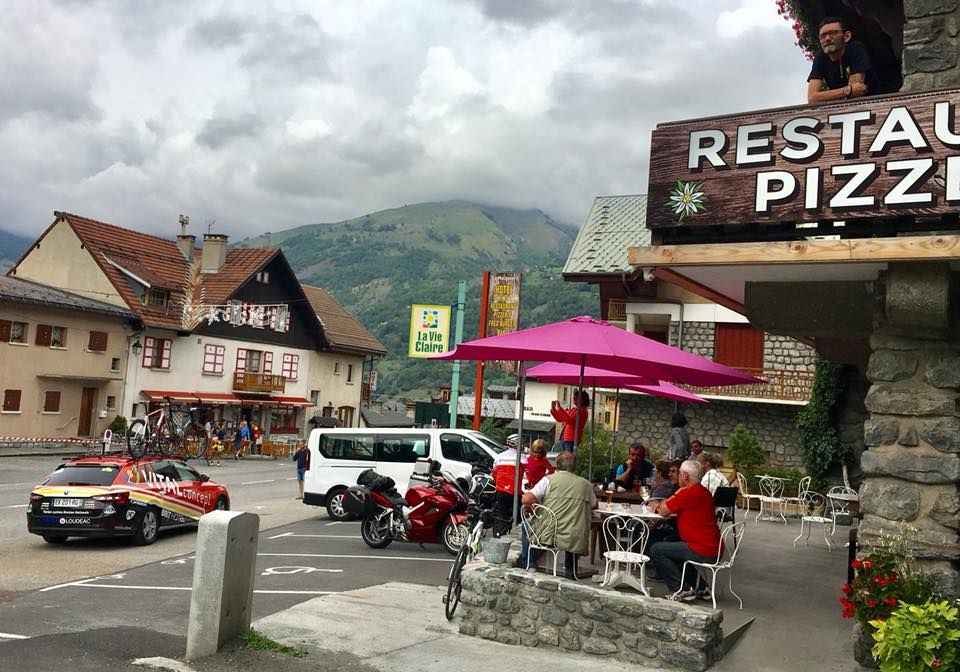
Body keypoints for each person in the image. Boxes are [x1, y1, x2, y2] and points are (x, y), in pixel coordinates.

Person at [649, 459, 724, 602]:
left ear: (685, 476)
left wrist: (661, 503)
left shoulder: (687, 493)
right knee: (670, 544)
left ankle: (680, 589)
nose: (677, 476)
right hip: (714, 547)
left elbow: (663, 511)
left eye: (679, 473)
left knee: (657, 549)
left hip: (702, 548)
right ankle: (701, 587)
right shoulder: (704, 492)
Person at [519, 451, 597, 580]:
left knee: (525, 525)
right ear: (575, 467)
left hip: (548, 533)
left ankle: (530, 564)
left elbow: (526, 499)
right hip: (573, 536)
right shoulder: (585, 484)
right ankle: (570, 570)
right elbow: (595, 505)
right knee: (573, 525)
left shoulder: (548, 480)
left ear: (557, 466)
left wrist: (536, 506)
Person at [807, 16, 879, 104]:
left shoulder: (855, 49)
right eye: (823, 36)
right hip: (843, 108)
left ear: (846, 36)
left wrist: (826, 96)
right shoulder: (820, 58)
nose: (827, 39)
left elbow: (856, 93)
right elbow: (812, 98)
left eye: (833, 33)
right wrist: (847, 91)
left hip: (875, 102)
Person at [491, 433, 525, 535]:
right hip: (515, 492)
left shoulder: (499, 457)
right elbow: (528, 474)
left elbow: (494, 474)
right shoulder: (522, 457)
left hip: (501, 491)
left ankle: (499, 534)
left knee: (501, 514)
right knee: (520, 516)